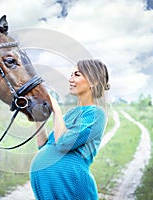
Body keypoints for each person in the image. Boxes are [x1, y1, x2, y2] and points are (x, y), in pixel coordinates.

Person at [30, 59, 110, 200]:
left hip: (72, 187)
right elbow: (45, 146)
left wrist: (56, 108)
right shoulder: (71, 114)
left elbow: (63, 143)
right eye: (71, 74)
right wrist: (38, 119)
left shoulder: (96, 114)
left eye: (77, 75)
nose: (70, 79)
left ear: (94, 82)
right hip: (50, 189)